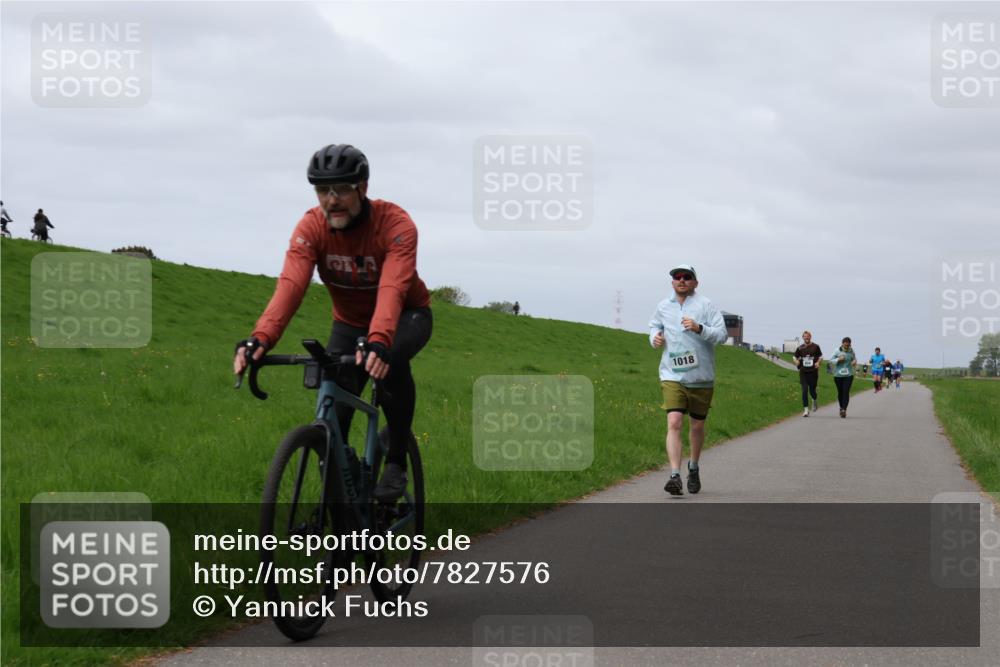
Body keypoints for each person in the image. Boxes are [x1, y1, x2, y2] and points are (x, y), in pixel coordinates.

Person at [233, 144, 432, 502]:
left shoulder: (395, 225)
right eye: (323, 191)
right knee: (333, 426)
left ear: (363, 188)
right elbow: (292, 284)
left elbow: (392, 287)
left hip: (405, 317)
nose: (331, 200)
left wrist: (380, 340)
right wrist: (261, 337)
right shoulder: (312, 226)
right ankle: (345, 510)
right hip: (350, 324)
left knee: (390, 364)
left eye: (341, 189)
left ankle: (396, 460)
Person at [648, 264, 727, 496]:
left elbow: (722, 335)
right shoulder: (663, 306)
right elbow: (653, 325)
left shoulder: (706, 305)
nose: (681, 280)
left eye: (686, 277)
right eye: (677, 277)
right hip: (671, 374)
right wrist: (655, 337)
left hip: (701, 376)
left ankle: (693, 467)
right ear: (672, 282)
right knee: (674, 422)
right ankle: (674, 475)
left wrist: (699, 328)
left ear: (695, 282)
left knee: (697, 426)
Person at [793, 330, 823, 417]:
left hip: (813, 372)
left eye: (808, 336)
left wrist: (818, 363)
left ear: (810, 337)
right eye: (805, 336)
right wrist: (796, 362)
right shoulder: (800, 348)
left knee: (812, 390)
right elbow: (794, 357)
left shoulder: (816, 347)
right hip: (803, 372)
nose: (806, 338)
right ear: (803, 337)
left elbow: (820, 356)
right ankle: (806, 410)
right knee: (804, 390)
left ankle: (814, 400)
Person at [830, 337, 857, 418]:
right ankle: (841, 407)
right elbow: (831, 360)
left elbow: (854, 359)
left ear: (850, 344)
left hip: (849, 375)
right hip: (838, 375)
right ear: (842, 343)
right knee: (840, 392)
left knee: (846, 391)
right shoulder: (837, 350)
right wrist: (838, 359)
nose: (846, 346)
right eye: (845, 345)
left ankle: (844, 410)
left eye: (848, 345)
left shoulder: (851, 351)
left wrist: (854, 362)